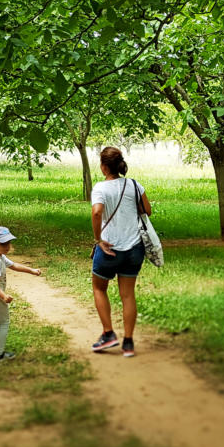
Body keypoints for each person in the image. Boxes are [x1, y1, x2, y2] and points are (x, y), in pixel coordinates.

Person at [90, 146, 151, 358]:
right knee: (127, 295)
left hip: (110, 247)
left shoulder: (100, 188)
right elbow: (147, 210)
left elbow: (97, 212)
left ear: (104, 166)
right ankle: (128, 343)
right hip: (134, 247)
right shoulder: (135, 185)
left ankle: (108, 334)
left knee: (99, 288)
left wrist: (98, 240)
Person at [0, 226, 41, 371]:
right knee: (4, 322)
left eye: (8, 243)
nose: (7, 247)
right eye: (3, 244)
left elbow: (14, 265)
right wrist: (4, 295)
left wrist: (31, 270)